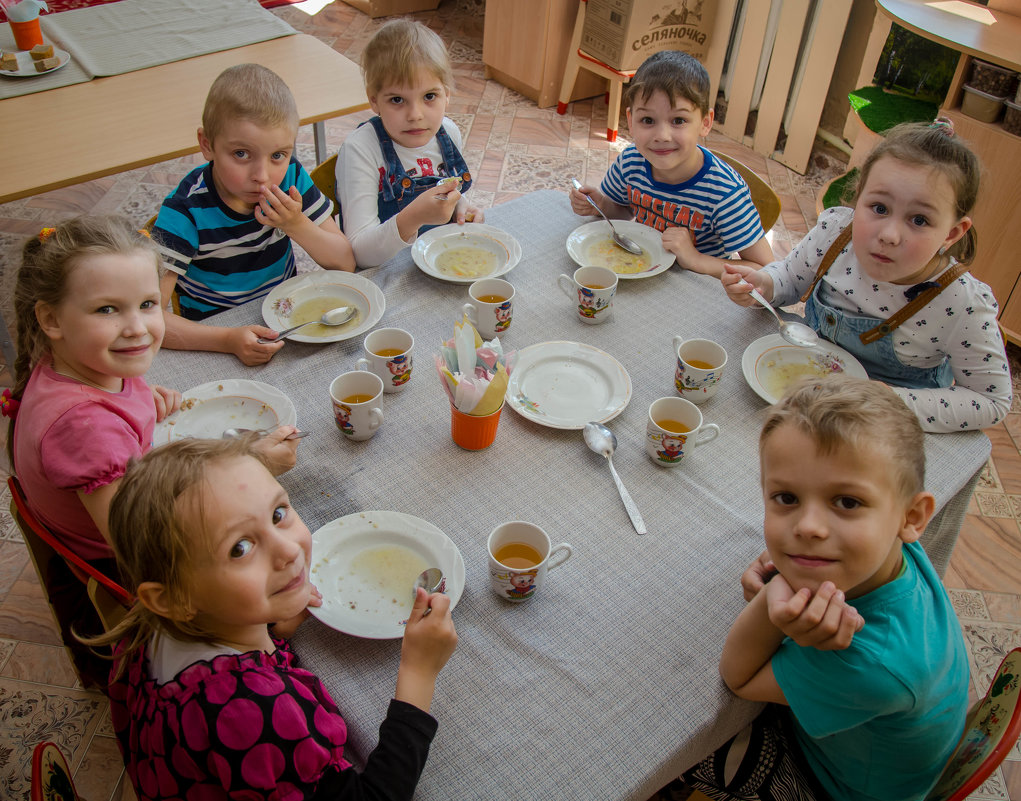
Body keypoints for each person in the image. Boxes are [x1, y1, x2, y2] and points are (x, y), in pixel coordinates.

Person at [99, 436, 458, 799]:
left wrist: (274, 629)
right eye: (239, 548)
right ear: (172, 599)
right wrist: (418, 671)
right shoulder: (255, 713)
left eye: (278, 514)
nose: (288, 551)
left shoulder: (148, 627)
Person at [682, 375, 968, 801]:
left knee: (678, 757)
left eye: (847, 502)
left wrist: (771, 599)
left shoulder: (868, 663)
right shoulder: (886, 549)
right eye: (786, 498)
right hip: (883, 749)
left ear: (912, 515)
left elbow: (738, 677)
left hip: (833, 785)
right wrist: (790, 569)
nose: (808, 527)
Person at [722, 118, 1011, 433]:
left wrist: (892, 400)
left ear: (952, 233)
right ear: (858, 198)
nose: (889, 234)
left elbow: (991, 401)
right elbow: (790, 279)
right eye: (879, 208)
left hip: (883, 428)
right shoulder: (835, 234)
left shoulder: (961, 303)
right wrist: (764, 283)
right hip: (806, 393)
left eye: (919, 219)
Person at [152, 64, 356, 366]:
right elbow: (148, 318)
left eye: (277, 155)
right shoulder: (185, 211)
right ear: (207, 144)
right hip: (214, 339)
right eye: (241, 154)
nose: (262, 176)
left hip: (285, 327)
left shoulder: (291, 179)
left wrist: (295, 224)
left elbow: (345, 262)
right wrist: (226, 340)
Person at [569, 50, 773, 277]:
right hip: (641, 271)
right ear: (631, 121)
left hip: (697, 286)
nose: (662, 135)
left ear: (705, 123)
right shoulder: (630, 162)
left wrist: (695, 259)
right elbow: (624, 213)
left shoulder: (724, 192)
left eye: (679, 120)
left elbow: (765, 269)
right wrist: (601, 205)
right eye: (648, 120)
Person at [335, 18, 484, 268]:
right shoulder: (360, 150)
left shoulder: (448, 132)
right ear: (374, 101)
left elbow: (452, 192)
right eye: (397, 100)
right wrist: (411, 219)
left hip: (441, 264)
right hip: (386, 278)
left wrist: (463, 207)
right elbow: (359, 254)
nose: (415, 114)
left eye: (429, 96)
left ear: (446, 95)